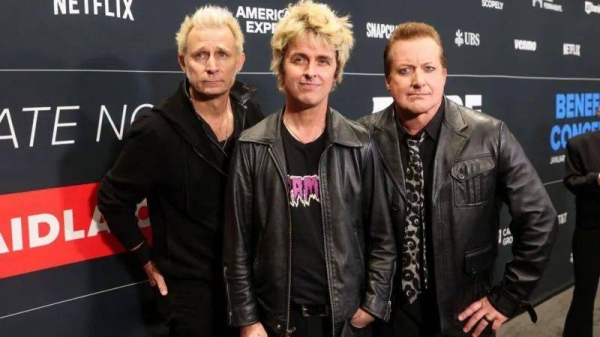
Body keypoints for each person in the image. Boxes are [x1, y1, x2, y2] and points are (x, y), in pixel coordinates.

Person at [359, 22, 558, 337]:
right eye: (405, 70)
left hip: (463, 317)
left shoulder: (490, 135)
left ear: (444, 75)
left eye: (428, 68)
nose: (418, 81)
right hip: (385, 320)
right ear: (387, 81)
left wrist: (507, 298)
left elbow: (541, 218)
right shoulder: (361, 139)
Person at [223, 1, 396, 337]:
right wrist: (247, 320)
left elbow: (383, 237)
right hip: (277, 322)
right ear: (281, 66)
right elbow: (237, 246)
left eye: (323, 61)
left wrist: (371, 306)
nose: (310, 72)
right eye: (299, 59)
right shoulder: (252, 146)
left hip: (344, 322)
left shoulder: (359, 144)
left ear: (336, 72)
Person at [97, 5, 263, 337]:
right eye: (201, 55)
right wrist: (146, 260)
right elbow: (112, 200)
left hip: (250, 284)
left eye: (222, 54)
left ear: (240, 61)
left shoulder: (252, 113)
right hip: (191, 296)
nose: (212, 66)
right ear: (183, 62)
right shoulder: (156, 131)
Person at [562, 107, 600, 337]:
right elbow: (571, 181)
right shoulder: (579, 144)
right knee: (584, 294)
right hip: (591, 230)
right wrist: (595, 179)